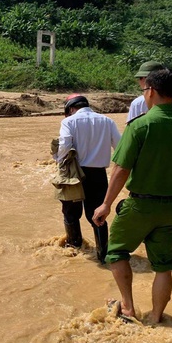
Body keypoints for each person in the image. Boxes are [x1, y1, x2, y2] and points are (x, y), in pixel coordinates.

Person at [93, 69, 172, 324]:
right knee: (163, 266)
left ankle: (128, 307)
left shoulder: (140, 125)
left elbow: (121, 169)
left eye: (144, 90)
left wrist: (105, 204)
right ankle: (156, 317)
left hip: (139, 206)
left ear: (152, 91)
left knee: (117, 253)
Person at [53, 94, 121, 263]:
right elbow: (120, 148)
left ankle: (74, 248)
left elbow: (65, 145)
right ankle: (104, 255)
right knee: (98, 215)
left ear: (70, 109)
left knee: (70, 213)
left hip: (74, 174)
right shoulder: (107, 121)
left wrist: (58, 158)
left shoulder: (68, 122)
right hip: (98, 175)